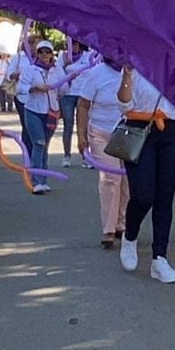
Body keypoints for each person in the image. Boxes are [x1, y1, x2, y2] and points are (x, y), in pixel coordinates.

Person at [116, 65, 175, 284]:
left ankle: (159, 257)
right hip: (140, 129)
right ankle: (130, 235)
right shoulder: (135, 65)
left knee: (165, 196)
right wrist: (126, 75)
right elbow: (124, 104)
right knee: (143, 194)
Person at [76, 57, 129, 248]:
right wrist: (81, 135)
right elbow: (83, 105)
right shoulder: (96, 73)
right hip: (101, 133)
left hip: (128, 133)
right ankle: (108, 228)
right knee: (110, 177)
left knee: (127, 181)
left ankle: (121, 223)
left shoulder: (133, 71)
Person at [19, 39, 66, 193]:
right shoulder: (30, 69)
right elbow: (21, 87)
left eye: (47, 51)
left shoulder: (57, 70)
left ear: (52, 54)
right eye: (41, 51)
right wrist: (34, 88)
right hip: (33, 110)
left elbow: (64, 90)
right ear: (37, 53)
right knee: (38, 144)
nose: (44, 55)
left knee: (45, 146)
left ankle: (43, 179)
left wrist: (66, 80)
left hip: (51, 112)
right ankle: (36, 181)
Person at [59, 40, 89, 168]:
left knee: (83, 126)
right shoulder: (62, 56)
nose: (70, 48)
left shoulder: (88, 56)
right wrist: (65, 66)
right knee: (68, 124)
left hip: (83, 94)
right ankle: (66, 155)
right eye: (67, 46)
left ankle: (86, 156)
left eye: (73, 45)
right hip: (68, 95)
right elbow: (57, 73)